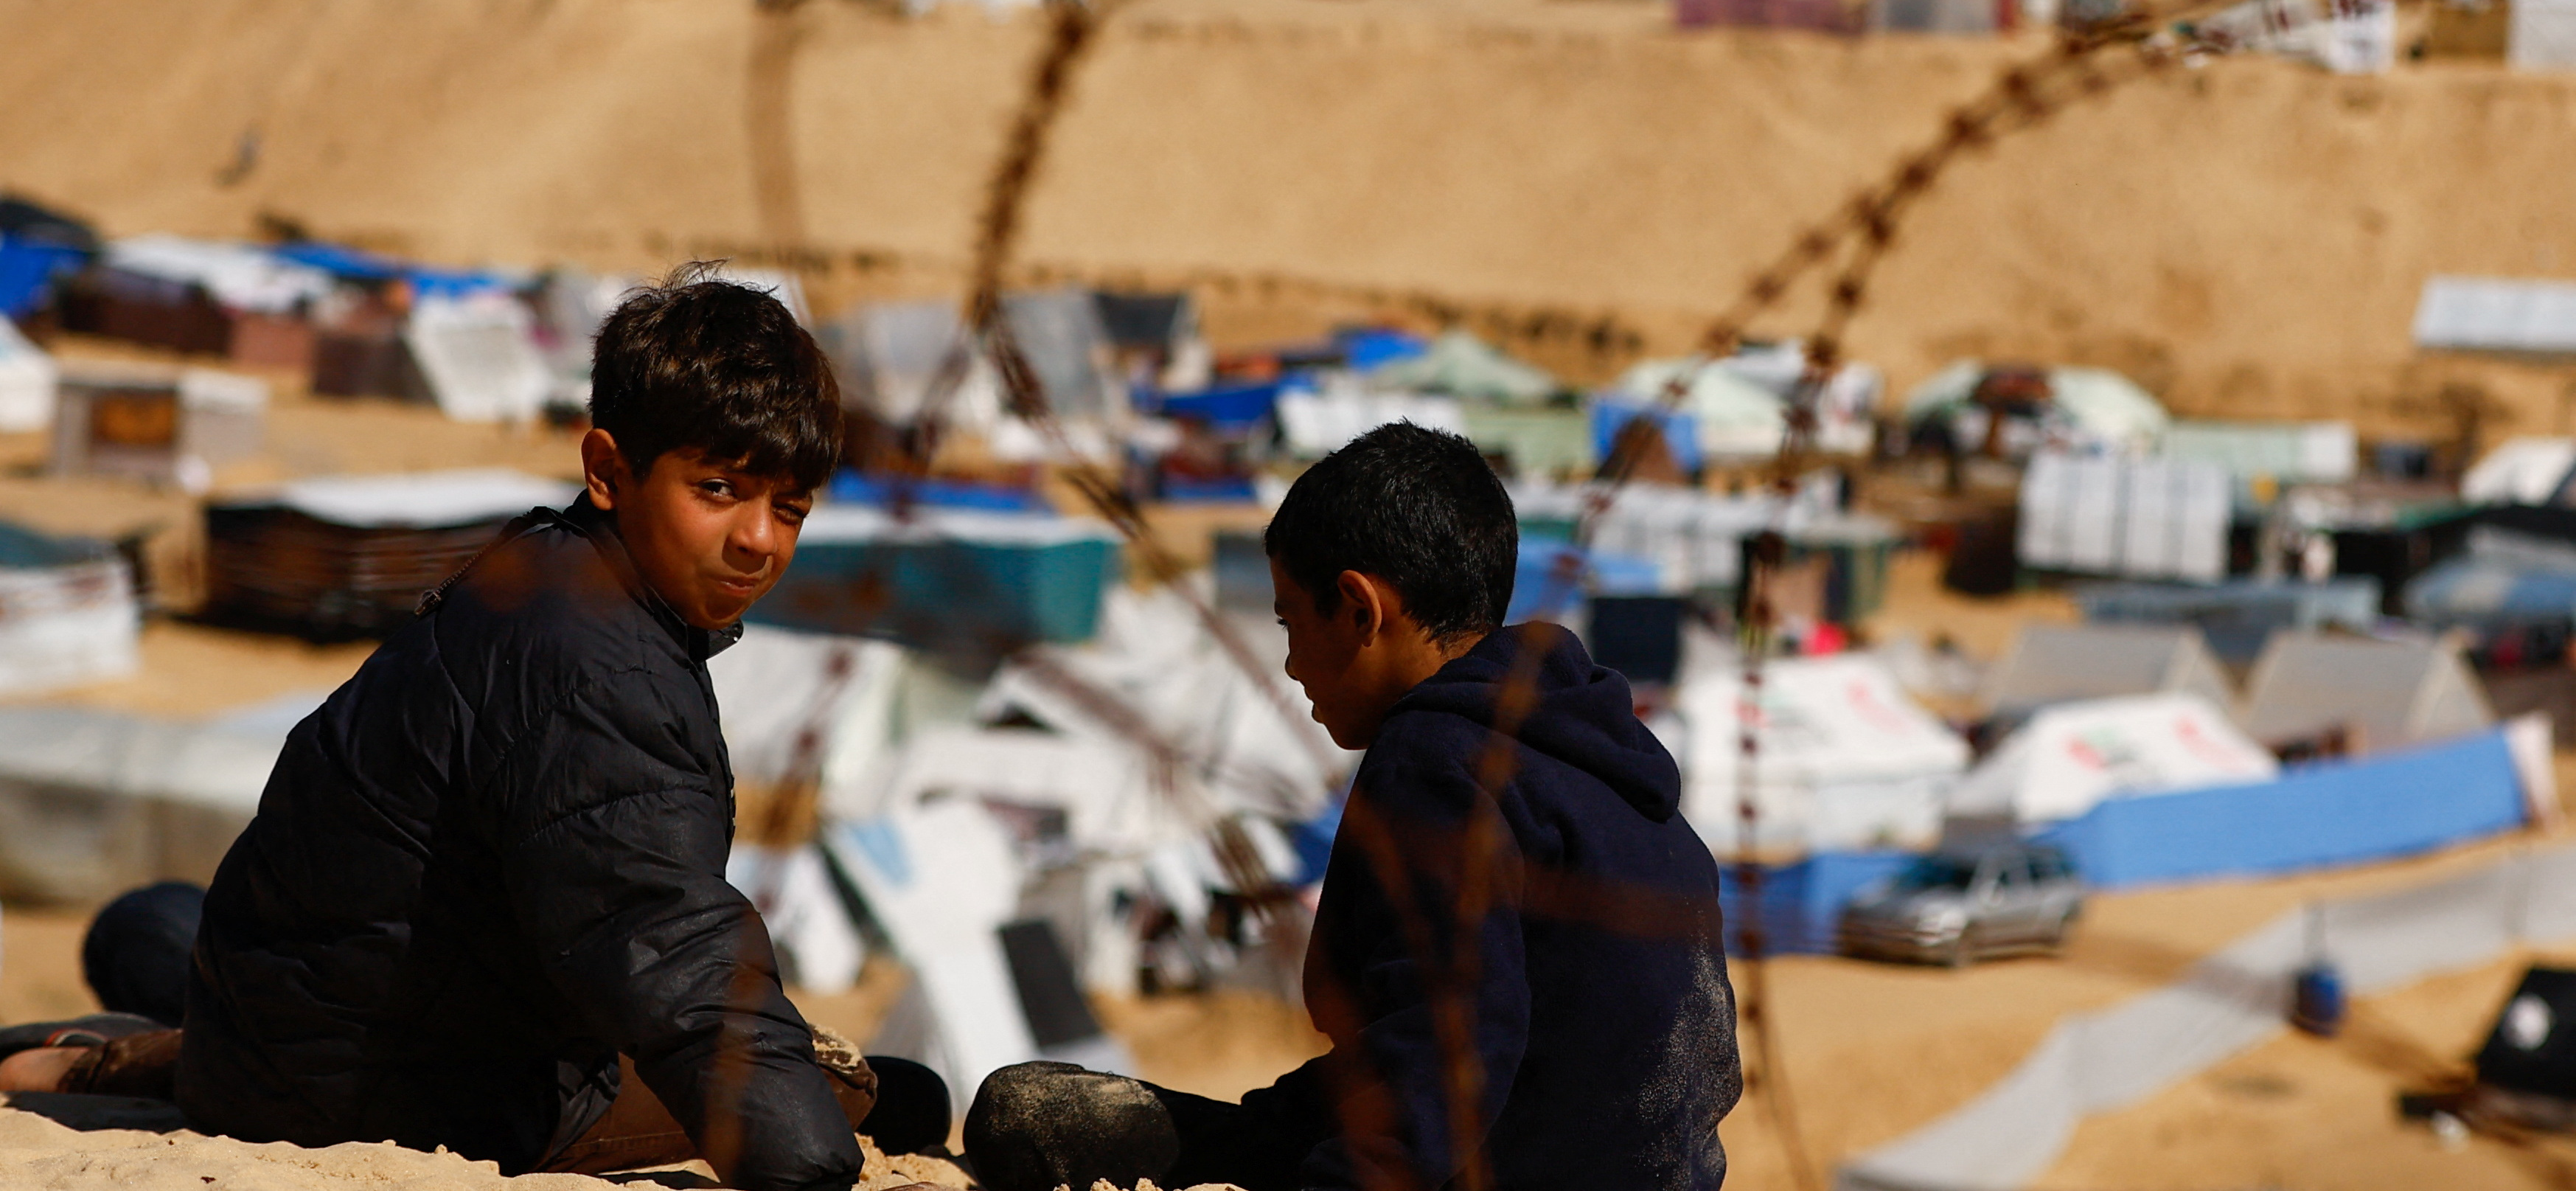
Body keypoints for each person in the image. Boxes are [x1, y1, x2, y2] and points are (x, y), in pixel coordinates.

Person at [0, 274, 946, 1189]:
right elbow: (667, 940)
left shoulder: (543, 572)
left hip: (282, 1030)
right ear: (609, 470)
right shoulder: (600, 666)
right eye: (719, 490)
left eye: (789, 507)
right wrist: (807, 1167)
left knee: (155, 923)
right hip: (396, 1095)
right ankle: (123, 1059)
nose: (760, 540)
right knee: (877, 1094)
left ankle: (118, 1060)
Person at [965, 423, 1740, 1191]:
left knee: (1025, 1114)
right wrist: (1259, 1129)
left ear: (1358, 609)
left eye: (1288, 621)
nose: (1293, 664)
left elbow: (1448, 1050)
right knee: (1072, 1114)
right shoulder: (1605, 769)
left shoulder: (1435, 757)